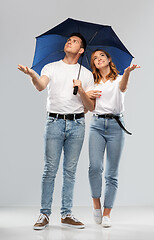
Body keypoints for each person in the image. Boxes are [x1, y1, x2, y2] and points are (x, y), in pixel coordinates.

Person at [18, 33, 95, 230]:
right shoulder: (50, 67)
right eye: (68, 40)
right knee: (49, 170)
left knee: (70, 171)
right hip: (54, 122)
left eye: (74, 41)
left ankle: (66, 214)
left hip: (77, 125)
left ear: (81, 50)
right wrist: (32, 75)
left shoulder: (86, 74)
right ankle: (44, 214)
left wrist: (82, 90)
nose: (69, 41)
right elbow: (40, 86)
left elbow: (91, 107)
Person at [87, 49, 140, 227]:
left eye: (102, 55)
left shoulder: (118, 79)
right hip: (96, 125)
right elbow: (89, 107)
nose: (98, 59)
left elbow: (123, 87)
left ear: (109, 59)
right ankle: (96, 204)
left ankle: (107, 213)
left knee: (111, 173)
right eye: (95, 58)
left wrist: (127, 73)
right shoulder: (92, 83)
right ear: (93, 64)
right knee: (95, 167)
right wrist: (86, 94)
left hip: (116, 126)